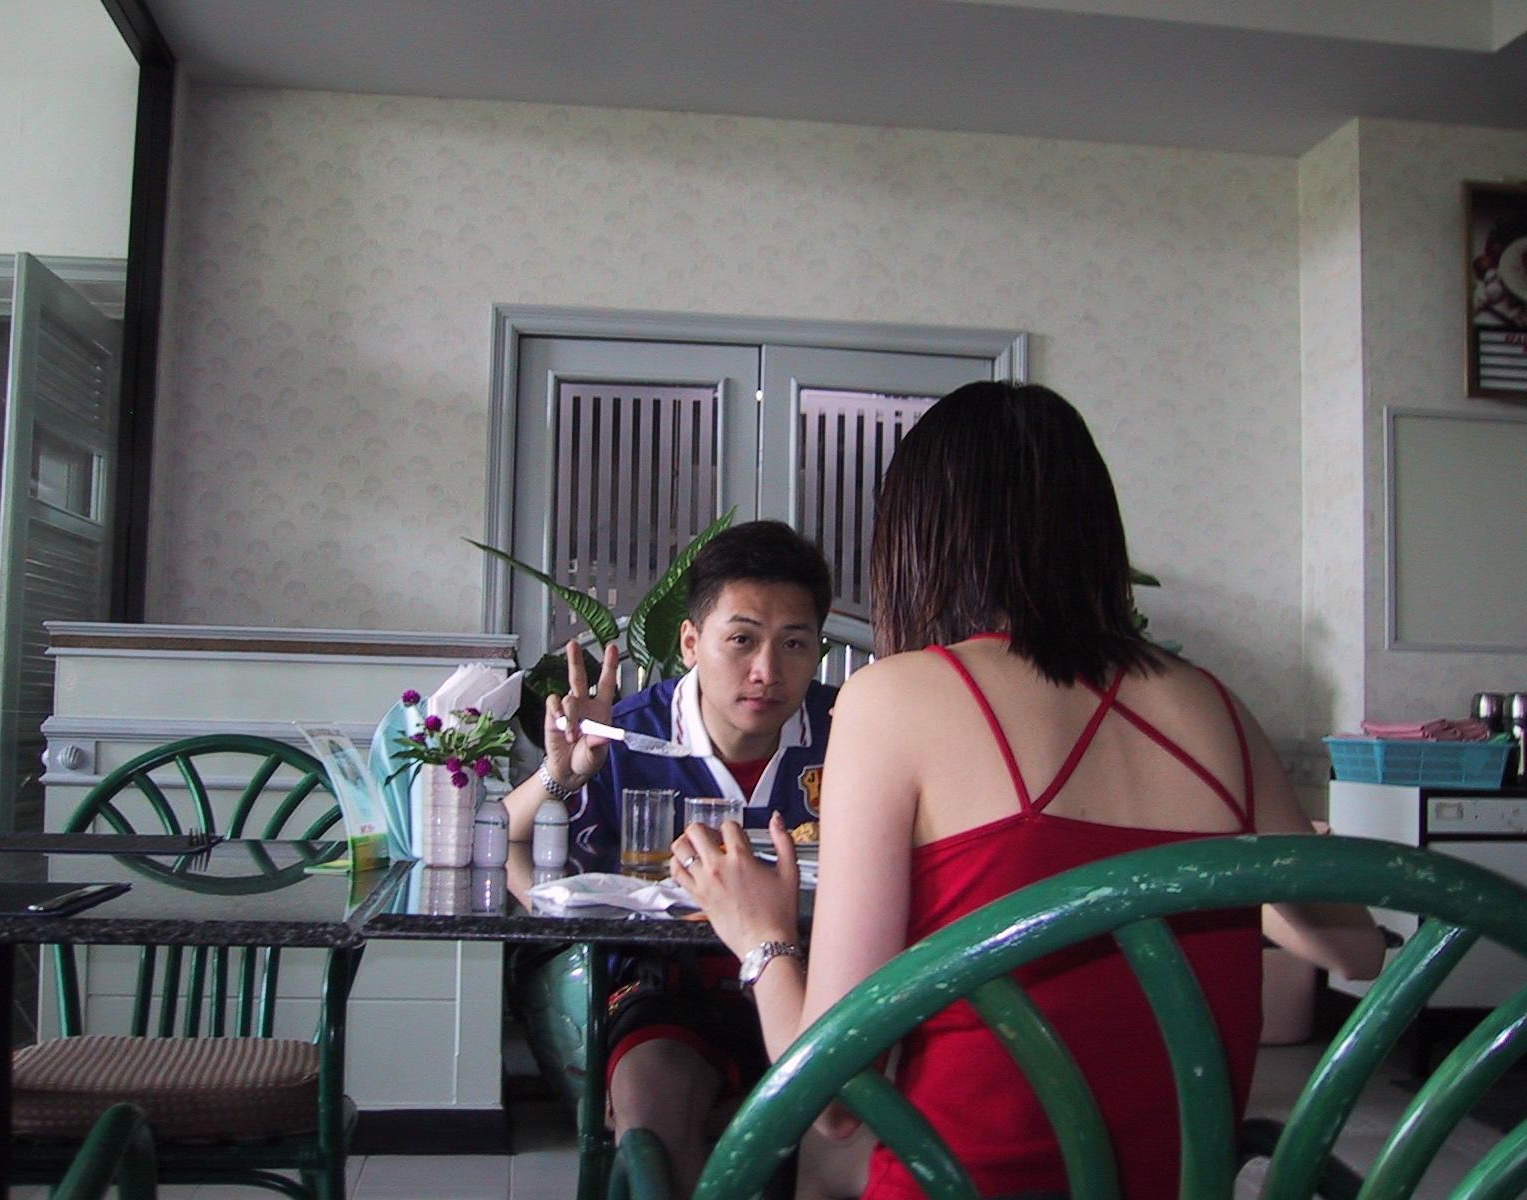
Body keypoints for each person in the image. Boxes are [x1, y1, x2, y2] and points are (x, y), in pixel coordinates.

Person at [672, 382, 1386, 1200]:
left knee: (821, 1162)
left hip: (967, 1185)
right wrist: (1218, 879)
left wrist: (760, 936)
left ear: (920, 539)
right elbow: (1357, 951)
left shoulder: (895, 698)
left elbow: (835, 1101)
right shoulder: (1216, 707)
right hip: (1175, 1185)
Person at [504, 519, 838, 1196]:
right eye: (741, 639)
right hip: (668, 988)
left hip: (817, 985)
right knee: (652, 1121)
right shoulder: (627, 733)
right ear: (690, 643)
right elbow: (504, 842)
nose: (766, 671)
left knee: (840, 1129)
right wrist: (560, 777)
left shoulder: (852, 730)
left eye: (794, 644)